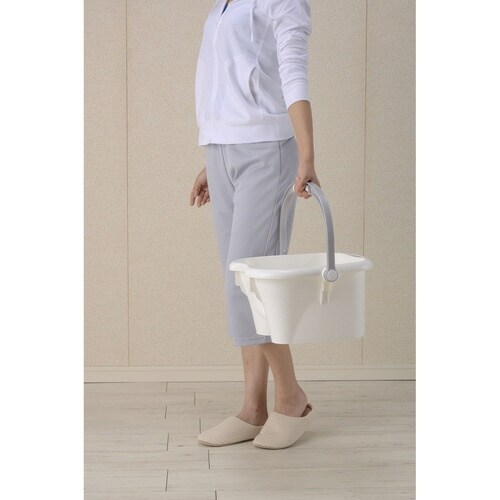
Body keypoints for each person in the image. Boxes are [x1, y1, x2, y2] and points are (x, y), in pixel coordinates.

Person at [189, 0, 319, 449]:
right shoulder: (222, 6)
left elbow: (293, 72)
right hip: (222, 152)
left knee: (247, 287)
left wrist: (307, 156)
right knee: (239, 279)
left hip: (267, 151)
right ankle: (253, 408)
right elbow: (223, 79)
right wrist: (215, 155)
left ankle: (291, 398)